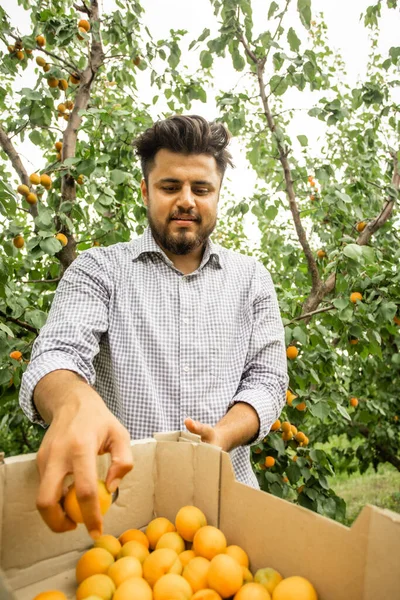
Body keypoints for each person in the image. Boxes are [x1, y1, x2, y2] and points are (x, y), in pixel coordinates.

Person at [19, 115, 288, 539]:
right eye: (169, 187)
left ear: (218, 195)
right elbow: (59, 354)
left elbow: (268, 379)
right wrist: (73, 401)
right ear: (145, 191)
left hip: (227, 513)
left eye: (201, 189)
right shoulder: (99, 270)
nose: (186, 200)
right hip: (118, 517)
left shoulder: (252, 279)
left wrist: (222, 435)